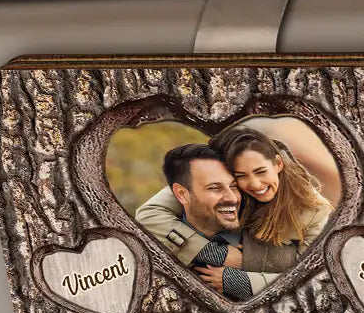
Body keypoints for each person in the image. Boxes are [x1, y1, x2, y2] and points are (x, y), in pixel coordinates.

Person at [135, 128, 333, 299]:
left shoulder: (314, 210)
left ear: (278, 164)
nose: (255, 184)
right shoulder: (218, 180)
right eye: (241, 176)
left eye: (261, 171)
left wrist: (239, 279)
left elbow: (313, 276)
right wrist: (214, 253)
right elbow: (149, 215)